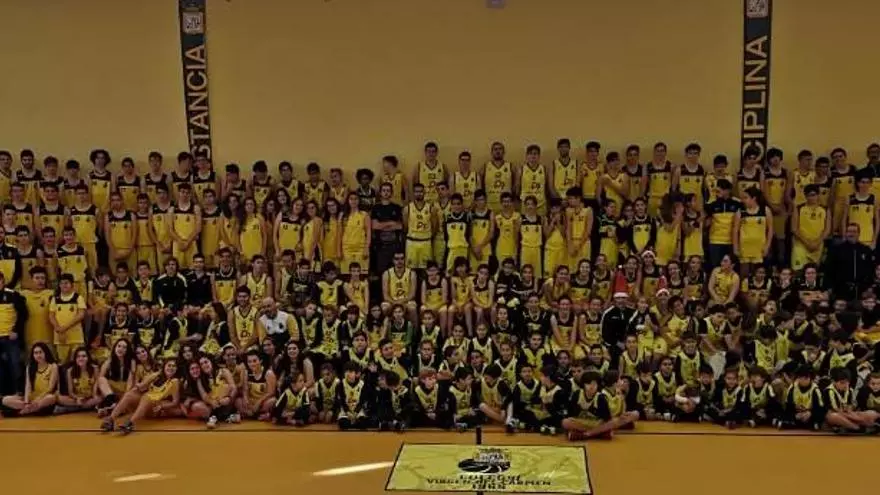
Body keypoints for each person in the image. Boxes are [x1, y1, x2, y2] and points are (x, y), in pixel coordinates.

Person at [0, 342, 58, 416]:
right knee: (6, 399)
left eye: (40, 352)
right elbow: (28, 387)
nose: (38, 355)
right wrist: (27, 402)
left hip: (44, 397)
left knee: (51, 398)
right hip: (32, 398)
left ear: (45, 353)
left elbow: (50, 388)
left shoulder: (53, 366)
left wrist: (38, 399)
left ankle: (23, 412)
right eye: (35, 353)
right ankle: (30, 409)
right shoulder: (30, 367)